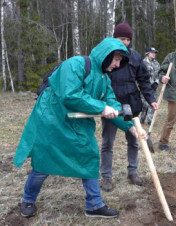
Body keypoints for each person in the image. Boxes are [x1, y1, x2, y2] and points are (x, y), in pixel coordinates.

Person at [13, 37, 145, 218]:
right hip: (53, 118)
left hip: (78, 121)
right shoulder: (76, 64)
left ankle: (94, 205)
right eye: (116, 59)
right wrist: (101, 107)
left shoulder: (104, 79)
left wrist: (130, 128)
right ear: (105, 55)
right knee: (45, 160)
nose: (117, 64)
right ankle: (28, 199)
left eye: (120, 61)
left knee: (89, 155)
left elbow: (112, 104)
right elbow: (70, 94)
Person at [100, 22, 158, 192]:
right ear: (114, 38)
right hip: (111, 105)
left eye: (127, 39)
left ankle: (133, 171)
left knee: (134, 139)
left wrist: (150, 98)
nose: (124, 42)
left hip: (131, 103)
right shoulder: (107, 56)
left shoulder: (135, 57)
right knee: (107, 143)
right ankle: (106, 176)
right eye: (121, 38)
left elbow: (144, 80)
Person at [140, 47, 160, 125]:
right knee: (144, 104)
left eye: (154, 53)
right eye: (152, 53)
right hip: (145, 86)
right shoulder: (142, 63)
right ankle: (142, 118)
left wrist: (156, 82)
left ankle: (150, 120)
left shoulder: (156, 63)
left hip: (154, 87)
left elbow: (158, 75)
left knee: (153, 102)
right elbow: (140, 75)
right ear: (147, 54)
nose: (153, 54)